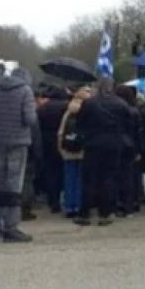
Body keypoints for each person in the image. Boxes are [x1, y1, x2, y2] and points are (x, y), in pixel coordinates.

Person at [75, 78, 132, 226]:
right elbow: (129, 125)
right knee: (109, 178)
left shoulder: (89, 103)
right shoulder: (121, 104)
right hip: (113, 144)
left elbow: (80, 124)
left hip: (92, 144)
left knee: (88, 179)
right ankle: (105, 213)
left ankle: (84, 213)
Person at [0, 67, 37, 242]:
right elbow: (29, 119)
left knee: (0, 183)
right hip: (19, 141)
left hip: (0, 141)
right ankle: (11, 227)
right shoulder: (26, 91)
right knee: (14, 185)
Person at [58, 85, 91, 218]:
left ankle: (69, 205)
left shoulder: (68, 110)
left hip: (68, 149)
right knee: (81, 178)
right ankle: (79, 204)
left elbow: (61, 131)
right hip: (83, 149)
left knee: (69, 177)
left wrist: (61, 148)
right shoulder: (88, 110)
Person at [36, 85, 69, 213]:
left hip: (47, 142)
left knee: (50, 172)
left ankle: (53, 201)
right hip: (64, 141)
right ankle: (65, 197)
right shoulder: (67, 107)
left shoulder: (43, 109)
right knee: (64, 171)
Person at [114, 85, 142, 216]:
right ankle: (130, 203)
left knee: (117, 175)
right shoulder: (135, 111)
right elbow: (139, 132)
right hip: (131, 146)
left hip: (117, 145)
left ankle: (119, 202)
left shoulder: (115, 110)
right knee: (130, 176)